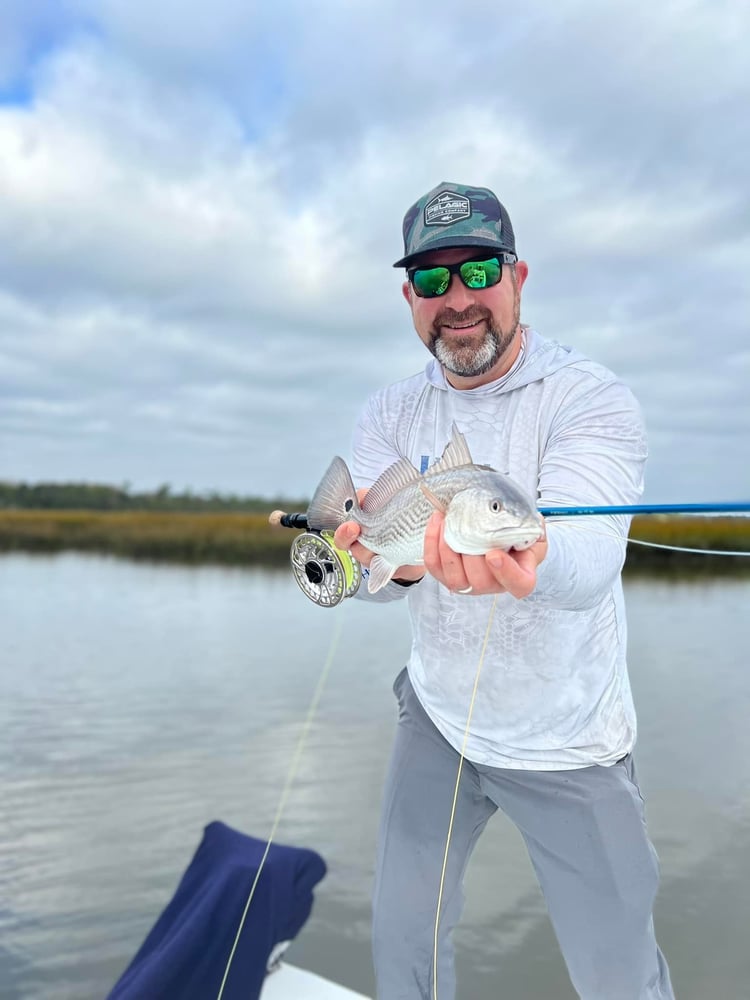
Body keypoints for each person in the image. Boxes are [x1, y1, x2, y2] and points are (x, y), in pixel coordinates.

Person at [333, 182, 674, 1000]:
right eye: (432, 279)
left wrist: (534, 555)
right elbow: (374, 572)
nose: (458, 300)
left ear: (518, 276)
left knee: (620, 978)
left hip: (568, 739)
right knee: (402, 948)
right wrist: (383, 567)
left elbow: (589, 563)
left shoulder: (590, 398)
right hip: (439, 719)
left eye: (479, 270)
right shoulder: (388, 414)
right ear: (409, 295)